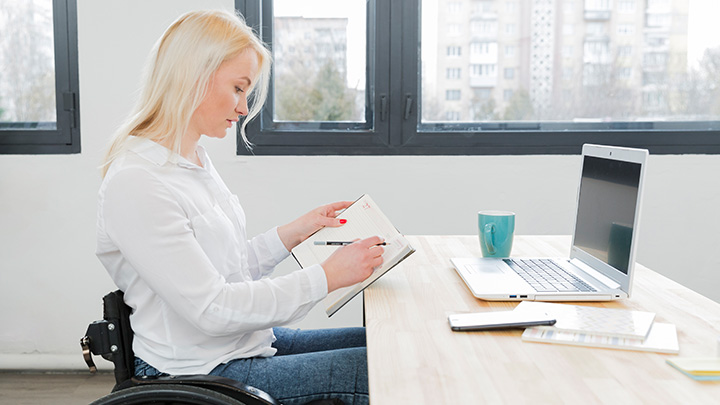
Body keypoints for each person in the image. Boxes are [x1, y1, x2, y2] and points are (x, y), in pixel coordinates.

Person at [95, 9, 382, 405]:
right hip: (201, 369)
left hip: (238, 345)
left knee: (386, 343)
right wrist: (326, 277)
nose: (244, 107)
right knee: (380, 369)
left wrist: (293, 233)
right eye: (237, 88)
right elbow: (213, 307)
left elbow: (225, 269)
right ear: (192, 77)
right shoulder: (138, 182)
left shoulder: (191, 159)